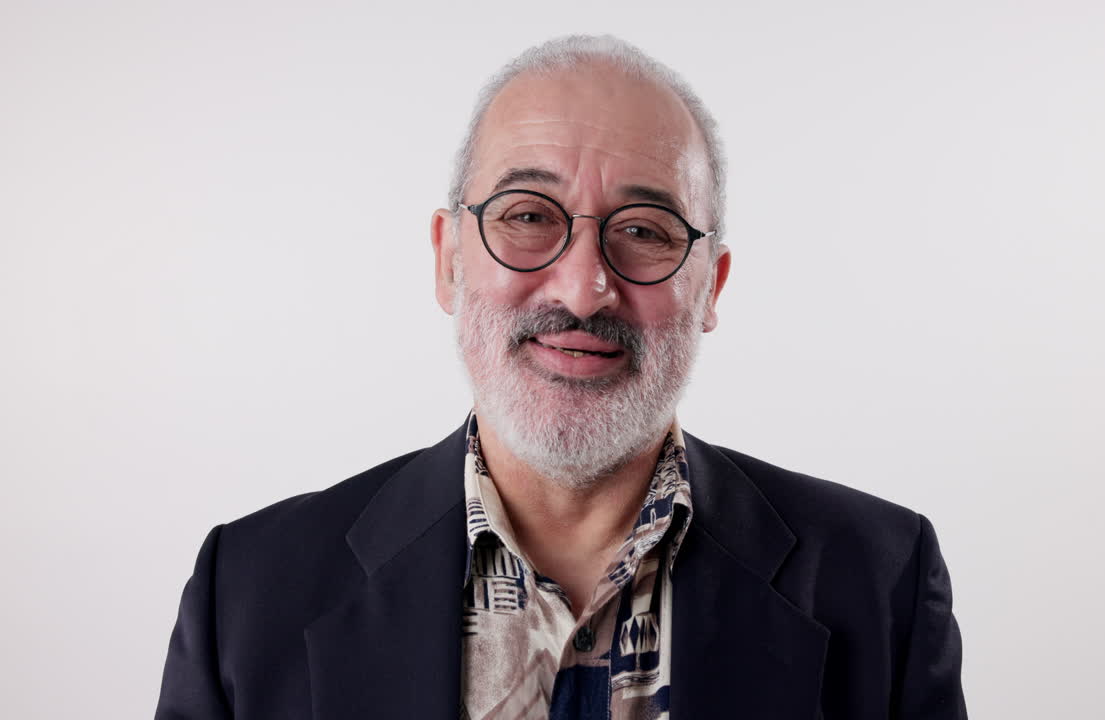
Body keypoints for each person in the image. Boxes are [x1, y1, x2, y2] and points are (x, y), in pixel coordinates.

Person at [155, 35, 966, 720]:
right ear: (448, 260)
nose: (582, 289)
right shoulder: (252, 594)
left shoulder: (881, 582)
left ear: (710, 287)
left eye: (645, 230)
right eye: (528, 216)